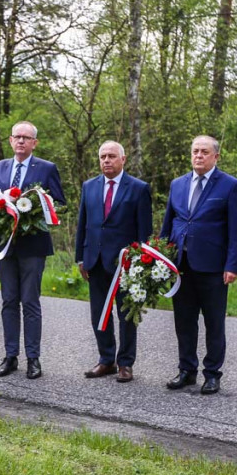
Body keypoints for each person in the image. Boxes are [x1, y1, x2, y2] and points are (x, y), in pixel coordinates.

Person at [160, 135, 237, 395]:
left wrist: (232, 266)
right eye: (195, 151)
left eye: (204, 152)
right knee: (184, 321)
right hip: (181, 266)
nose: (198, 155)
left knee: (214, 323)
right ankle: (187, 371)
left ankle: (212, 374)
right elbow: (168, 224)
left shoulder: (230, 186)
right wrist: (161, 258)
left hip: (213, 268)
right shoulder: (178, 184)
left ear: (216, 156)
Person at [0, 120, 67, 380]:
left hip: (33, 246)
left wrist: (35, 209)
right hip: (5, 245)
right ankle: (10, 356)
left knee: (30, 301)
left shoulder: (47, 169)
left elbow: (59, 203)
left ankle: (33, 358)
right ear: (10, 141)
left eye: (26, 138)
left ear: (34, 143)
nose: (21, 141)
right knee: (8, 301)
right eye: (17, 137)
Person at [75, 141, 153, 383]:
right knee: (99, 314)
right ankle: (106, 359)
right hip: (95, 261)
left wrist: (142, 263)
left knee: (127, 315)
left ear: (123, 159)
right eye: (102, 157)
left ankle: (125, 363)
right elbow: (82, 225)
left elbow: (144, 231)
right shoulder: (89, 186)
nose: (106, 160)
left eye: (111, 156)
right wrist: (80, 257)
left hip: (126, 264)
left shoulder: (139, 189)